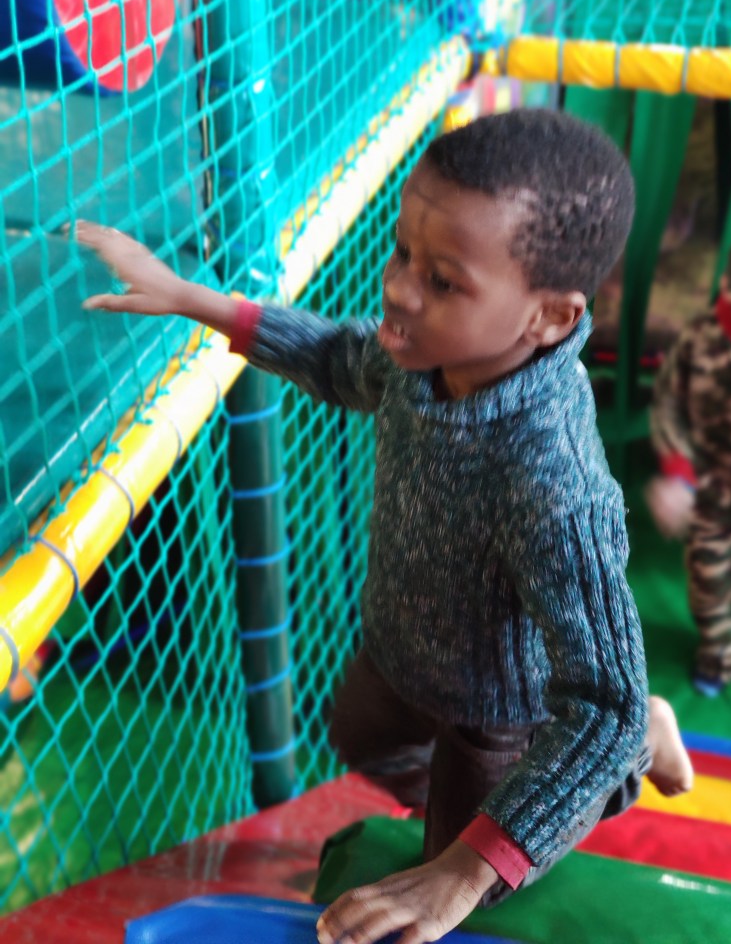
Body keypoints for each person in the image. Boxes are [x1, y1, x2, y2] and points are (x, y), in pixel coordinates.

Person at [75, 109, 692, 944]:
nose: (399, 288)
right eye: (403, 252)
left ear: (548, 318)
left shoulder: (554, 486)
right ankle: (481, 805)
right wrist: (196, 301)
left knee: (478, 883)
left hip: (499, 708)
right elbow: (339, 356)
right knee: (356, 734)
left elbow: (603, 707)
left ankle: (633, 755)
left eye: (444, 281)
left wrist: (459, 871)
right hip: (405, 651)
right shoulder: (423, 357)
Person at [647, 230, 731, 698]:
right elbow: (668, 405)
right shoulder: (698, 339)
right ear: (728, 288)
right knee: (708, 580)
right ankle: (719, 654)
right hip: (713, 481)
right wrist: (678, 474)